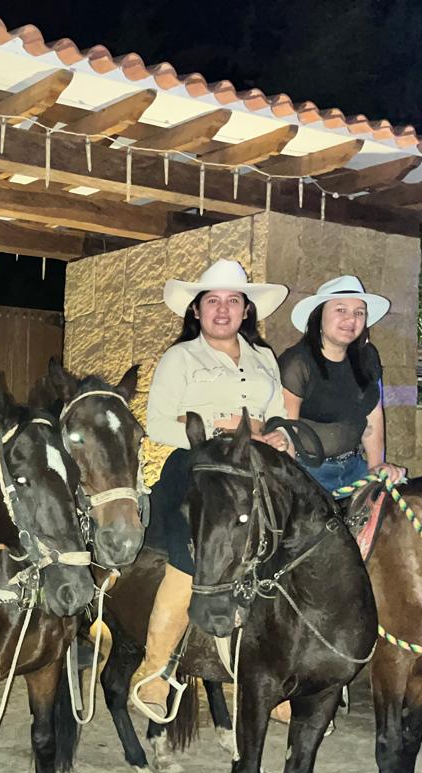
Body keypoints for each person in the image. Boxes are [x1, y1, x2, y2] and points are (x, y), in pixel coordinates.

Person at [131, 259, 293, 721]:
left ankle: (279, 675)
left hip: (256, 466)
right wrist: (217, 430)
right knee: (193, 557)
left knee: (286, 553)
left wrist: (281, 436)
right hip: (199, 466)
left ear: (246, 310)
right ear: (197, 310)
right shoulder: (180, 358)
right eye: (213, 301)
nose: (223, 309)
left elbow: (279, 414)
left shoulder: (264, 358)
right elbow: (158, 423)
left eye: (233, 301)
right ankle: (154, 672)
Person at [280, 276, 407, 493]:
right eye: (340, 310)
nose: (351, 319)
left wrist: (376, 467)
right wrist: (292, 487)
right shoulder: (297, 363)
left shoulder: (368, 357)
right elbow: (287, 431)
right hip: (307, 473)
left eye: (359, 313)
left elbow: (373, 418)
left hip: (354, 468)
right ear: (318, 316)